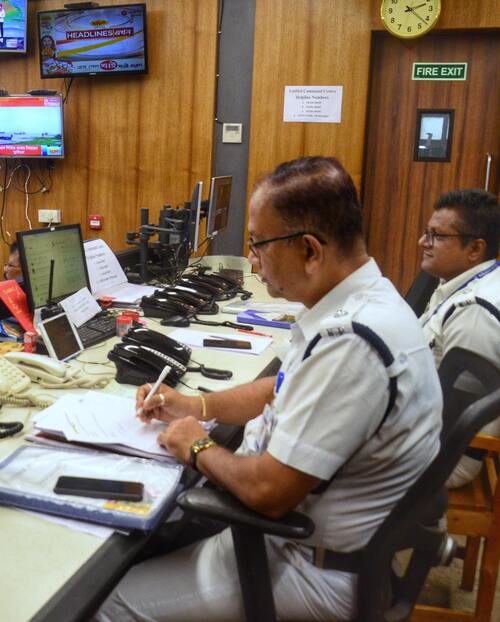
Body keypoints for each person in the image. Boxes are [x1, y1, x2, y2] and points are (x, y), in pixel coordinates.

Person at [96, 156, 442, 621]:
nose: (253, 260)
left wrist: (195, 445)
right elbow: (281, 388)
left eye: (258, 244)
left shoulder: (351, 343)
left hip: (307, 565)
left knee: (105, 603)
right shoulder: (361, 303)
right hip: (310, 544)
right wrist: (194, 405)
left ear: (310, 251)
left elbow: (268, 491)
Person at [417, 188, 499, 488]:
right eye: (427, 232)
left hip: (444, 456)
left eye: (436, 235)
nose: (423, 242)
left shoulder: (474, 313)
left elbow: (456, 415)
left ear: (475, 249)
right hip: (430, 432)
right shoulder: (464, 282)